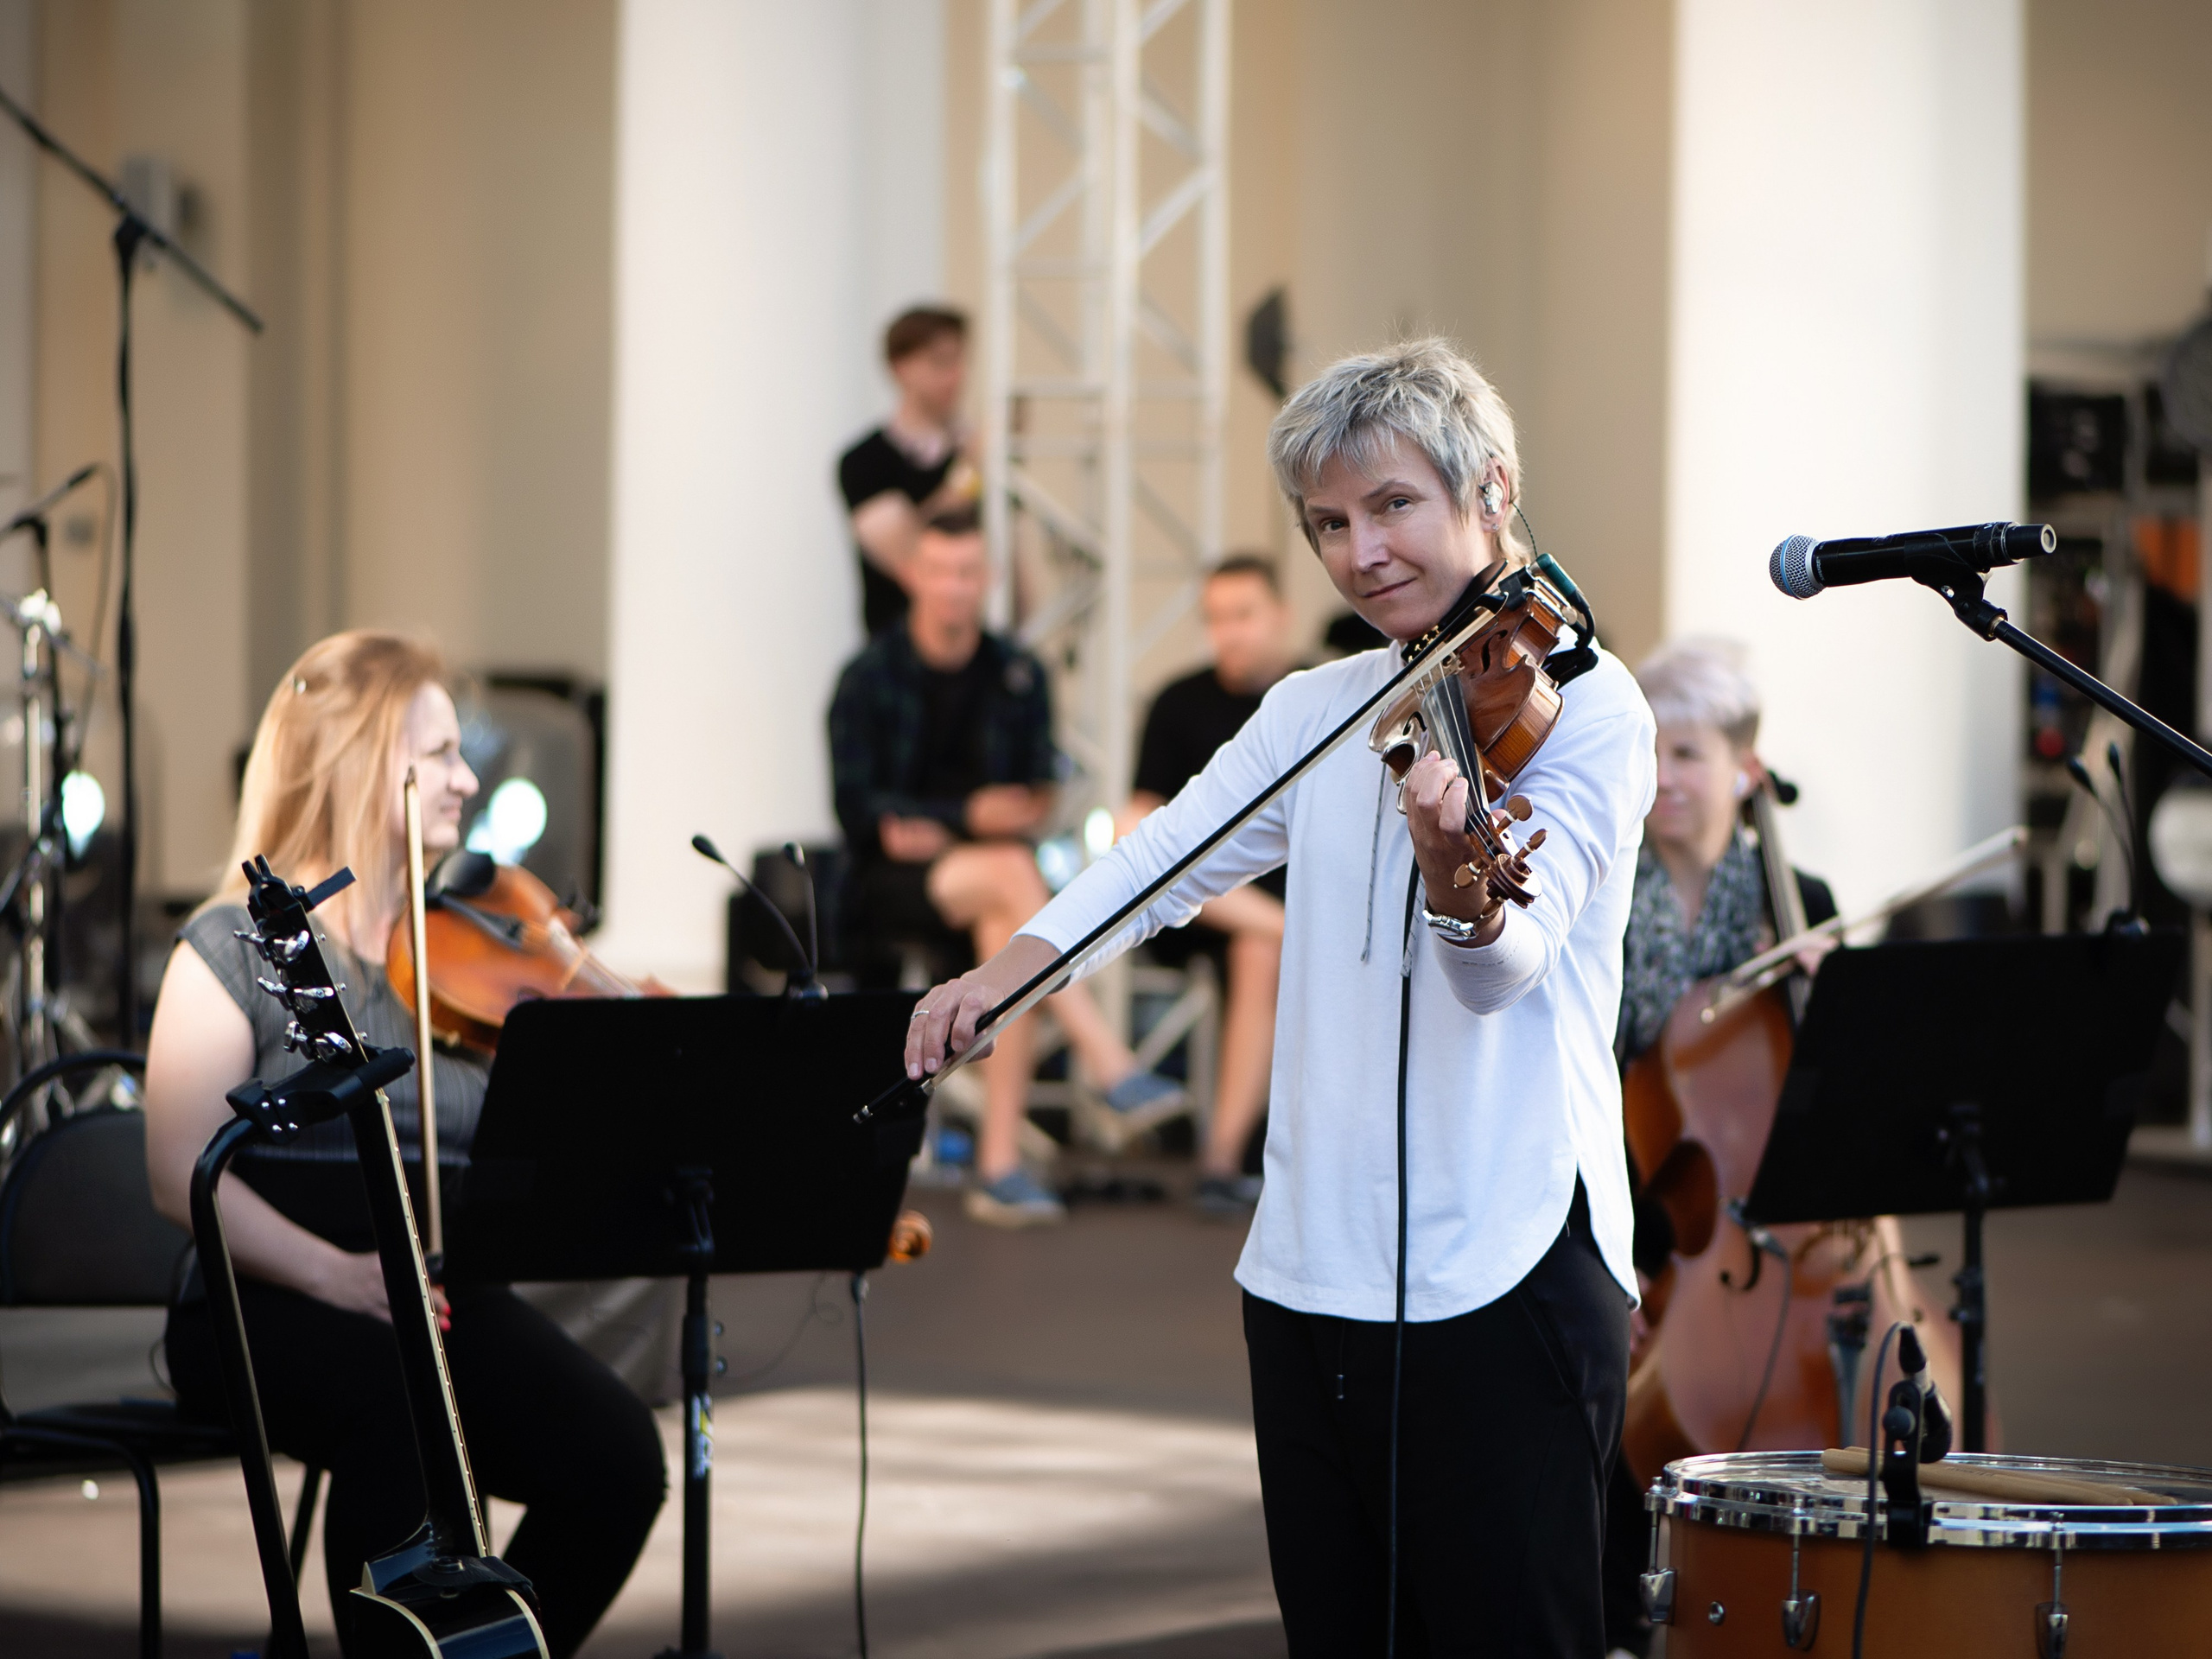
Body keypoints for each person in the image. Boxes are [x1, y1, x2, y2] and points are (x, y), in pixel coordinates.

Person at [906, 340, 1655, 1653]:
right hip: (1312, 1278)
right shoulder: (1318, 708)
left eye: (1392, 507)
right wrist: (1007, 973)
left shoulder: (1589, 711)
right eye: (1328, 524)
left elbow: (1508, 972)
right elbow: (1160, 860)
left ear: (1493, 487)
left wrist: (1456, 881)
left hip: (1510, 1261)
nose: (1359, 554)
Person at [146, 632, 664, 1659]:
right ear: (360, 758)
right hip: (267, 1301)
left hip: (429, 1293)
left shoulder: (456, 948)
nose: (469, 781)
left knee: (616, 1459)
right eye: (441, 755)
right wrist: (337, 1275)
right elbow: (176, 1173)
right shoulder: (234, 947)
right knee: (398, 1410)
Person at [830, 506, 1182, 1228]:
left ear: (985, 580)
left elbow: (1039, 797)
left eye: (966, 573)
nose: (954, 587)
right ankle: (1105, 1061)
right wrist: (967, 817)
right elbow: (866, 815)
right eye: (939, 572)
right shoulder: (868, 678)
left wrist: (960, 822)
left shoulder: (1016, 674)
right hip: (888, 889)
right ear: (913, 576)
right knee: (1008, 878)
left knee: (1006, 917)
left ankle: (998, 1168)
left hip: (988, 877)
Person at [1600, 639, 1835, 1659]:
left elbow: (1832, 1099)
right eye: (1651, 751)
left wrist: (1833, 1000)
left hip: (1778, 1226)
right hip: (1642, 1211)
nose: (1663, 781)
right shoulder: (1605, 893)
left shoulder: (1801, 901)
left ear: (1745, 767)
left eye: (1687, 754)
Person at [1124, 554, 1299, 1216]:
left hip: (1299, 896)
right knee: (1264, 947)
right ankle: (1223, 1160)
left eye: (1244, 615)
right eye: (1216, 619)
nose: (1229, 633)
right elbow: (1135, 822)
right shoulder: (1179, 702)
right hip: (1207, 904)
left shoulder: (1314, 694)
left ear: (1279, 616)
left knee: (1271, 943)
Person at [837, 305, 981, 636]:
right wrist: (972, 471)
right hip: (896, 659)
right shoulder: (864, 462)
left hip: (975, 660)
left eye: (961, 361)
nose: (956, 376)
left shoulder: (971, 451)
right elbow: (910, 555)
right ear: (900, 368)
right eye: (940, 362)